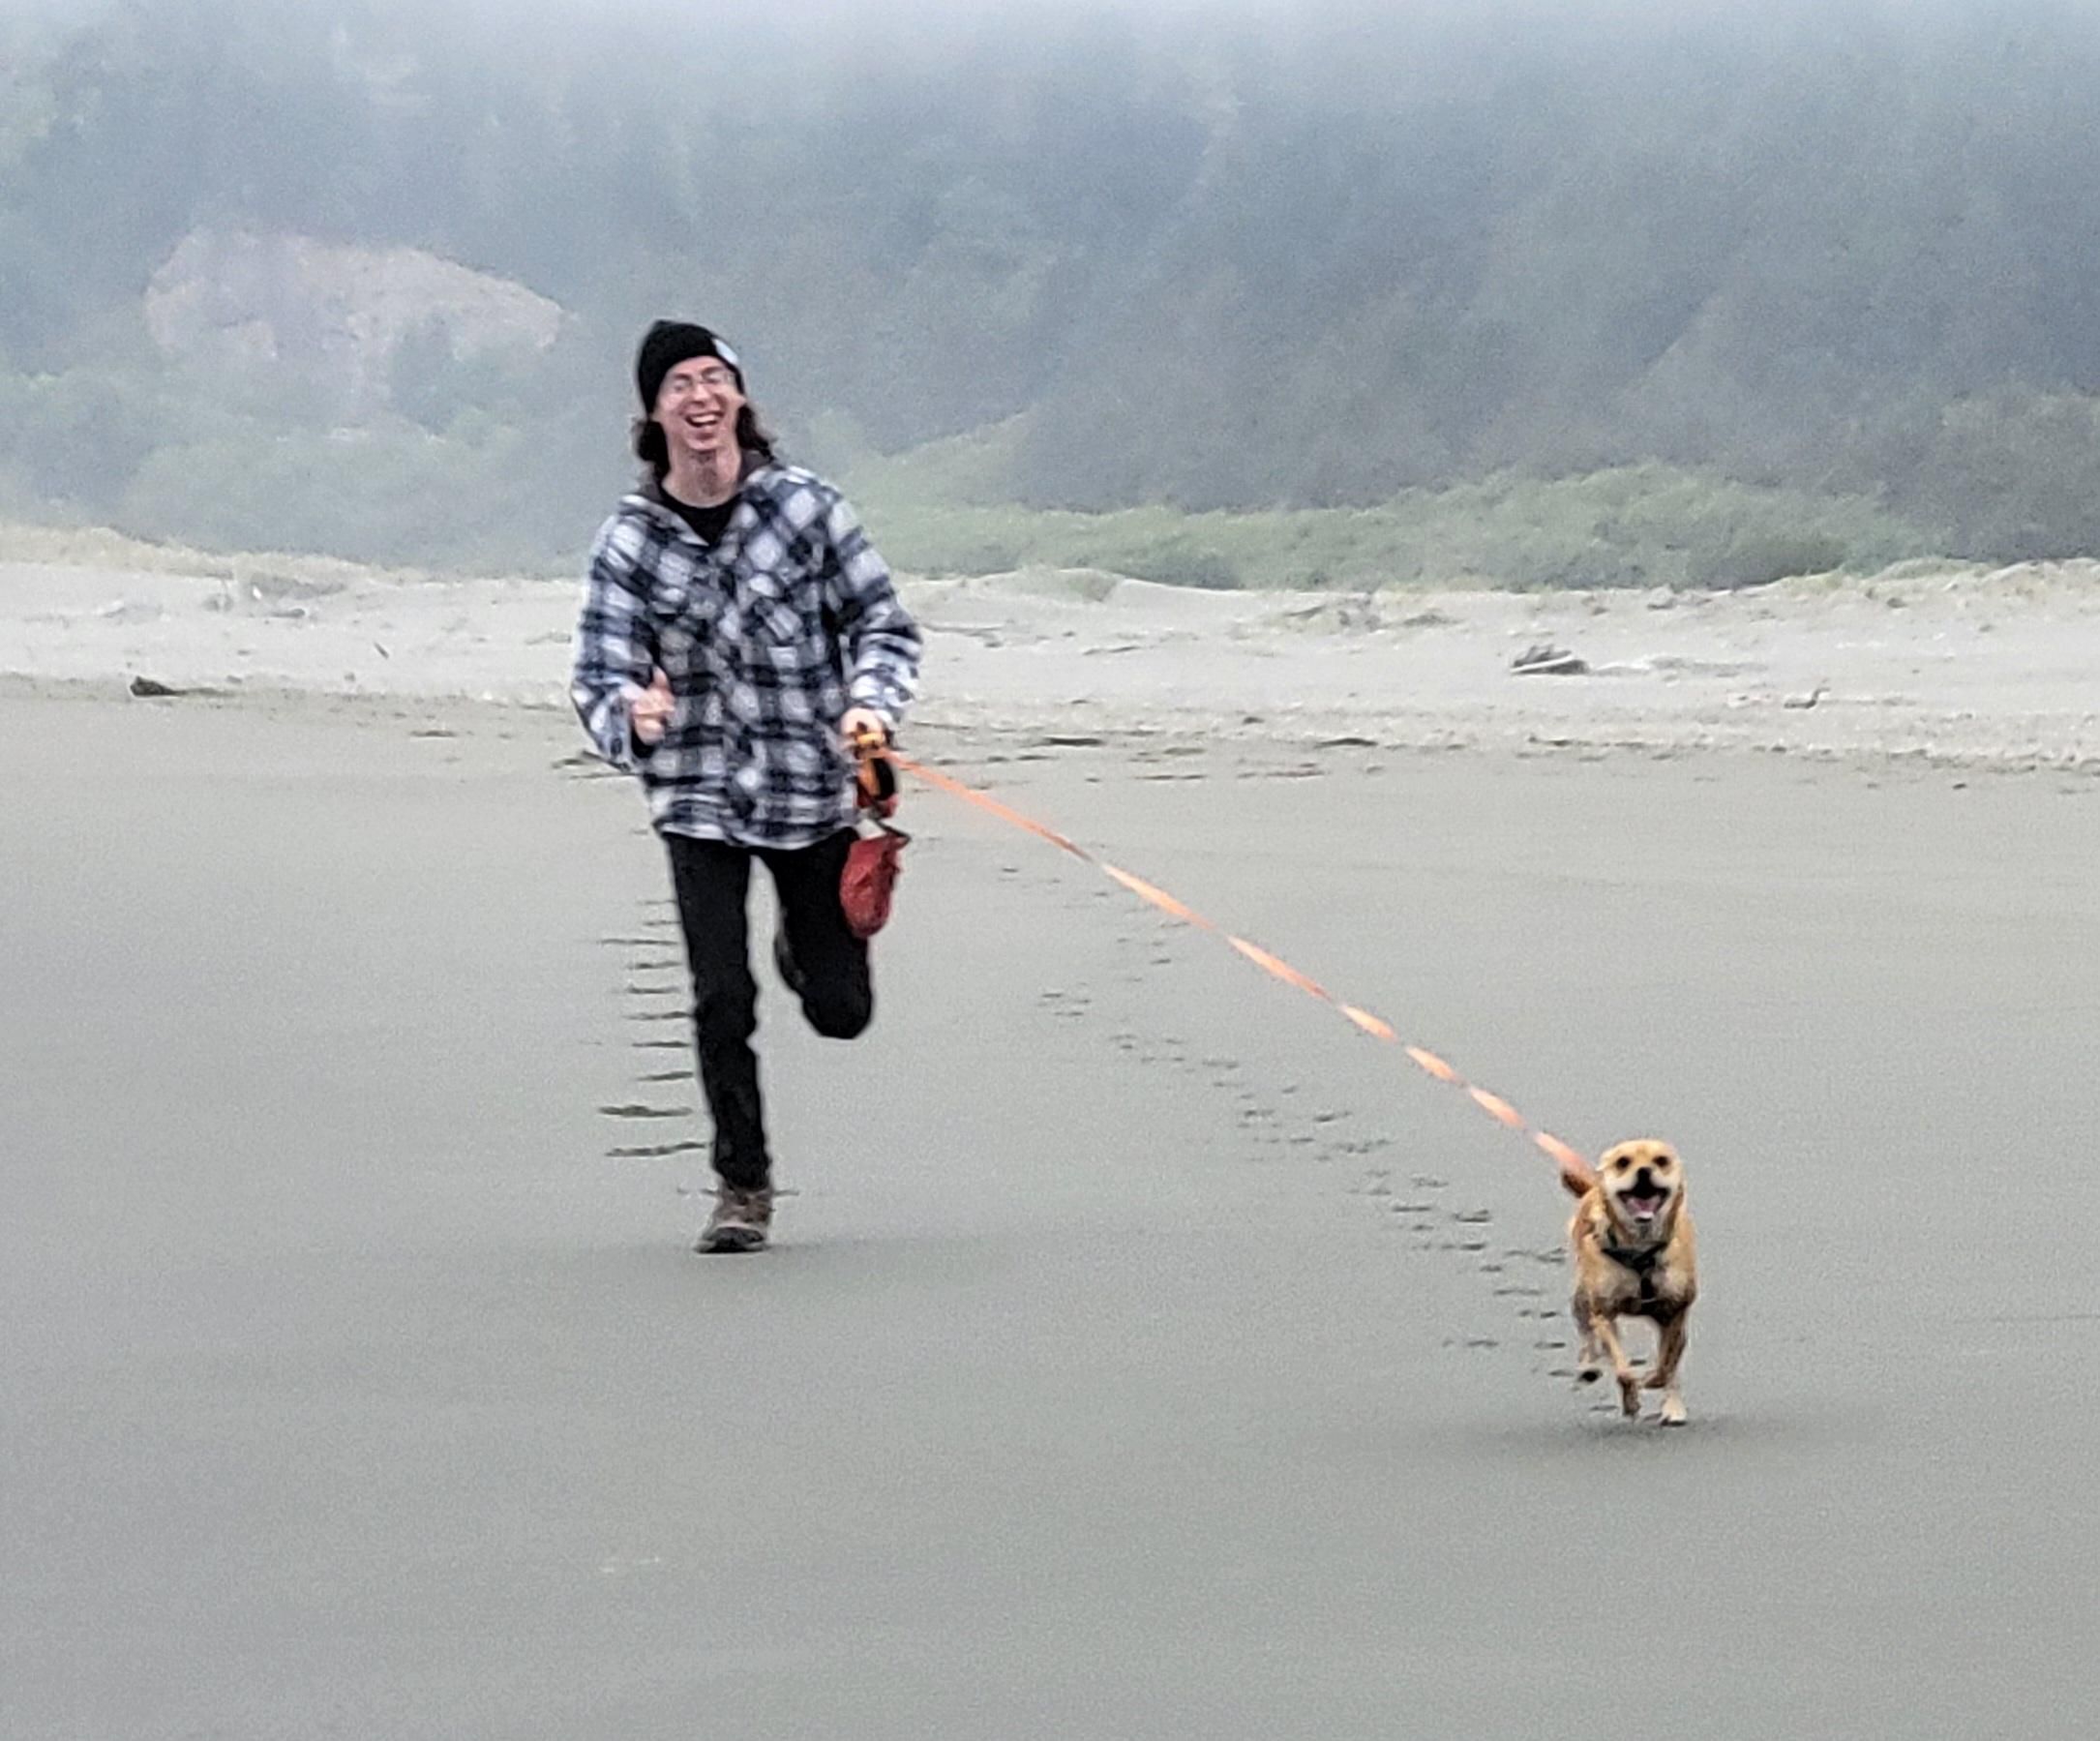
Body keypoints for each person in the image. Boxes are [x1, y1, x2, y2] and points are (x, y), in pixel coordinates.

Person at [571, 320, 921, 1253]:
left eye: (713, 378)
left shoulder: (807, 509)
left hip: (812, 789)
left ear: (738, 399)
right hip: (697, 798)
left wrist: (870, 710)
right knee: (719, 996)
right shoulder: (630, 541)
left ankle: (806, 951)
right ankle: (742, 1186)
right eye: (678, 383)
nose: (699, 396)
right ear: (654, 413)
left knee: (841, 1012)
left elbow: (885, 626)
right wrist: (629, 716)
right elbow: (598, 671)